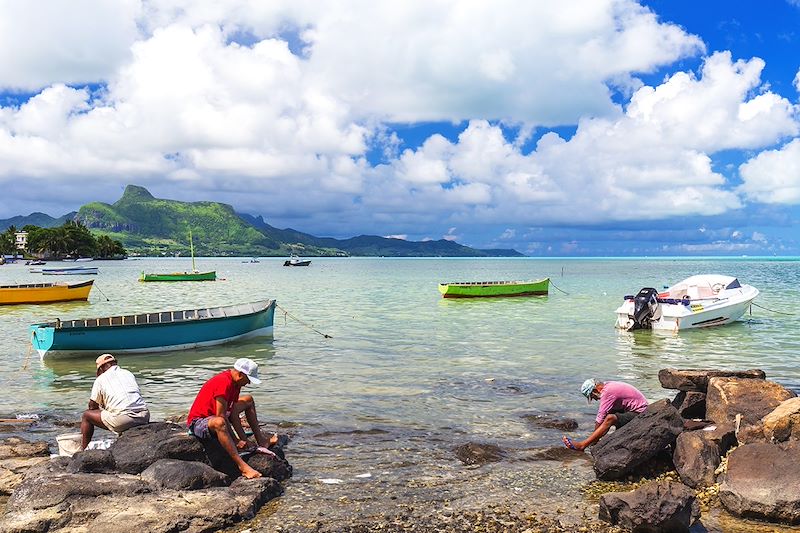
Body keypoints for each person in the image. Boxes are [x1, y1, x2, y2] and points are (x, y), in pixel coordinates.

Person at [187, 358, 278, 479]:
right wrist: (235, 441)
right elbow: (221, 416)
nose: (249, 383)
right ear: (240, 374)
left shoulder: (236, 383)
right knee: (220, 422)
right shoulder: (223, 382)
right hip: (199, 422)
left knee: (248, 400)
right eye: (248, 379)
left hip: (217, 417)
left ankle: (261, 440)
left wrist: (244, 440)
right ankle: (242, 467)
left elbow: (232, 412)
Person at [81, 353, 150, 449]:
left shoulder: (101, 379)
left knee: (87, 415)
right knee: (118, 409)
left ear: (101, 368)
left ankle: (83, 450)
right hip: (144, 416)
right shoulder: (128, 373)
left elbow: (92, 407)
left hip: (124, 420)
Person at [562, 378, 648, 451]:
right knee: (610, 413)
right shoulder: (608, 385)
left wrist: (593, 440)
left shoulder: (608, 392)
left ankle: (582, 445)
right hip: (632, 410)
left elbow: (600, 417)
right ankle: (596, 441)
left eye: (592, 396)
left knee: (610, 418)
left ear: (595, 390)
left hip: (640, 413)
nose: (595, 399)